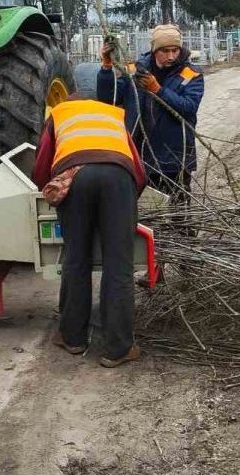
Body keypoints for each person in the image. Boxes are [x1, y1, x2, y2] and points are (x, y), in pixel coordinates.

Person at [33, 95, 146, 367]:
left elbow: (42, 166)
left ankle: (72, 338)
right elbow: (139, 170)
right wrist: (125, 202)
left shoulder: (59, 113)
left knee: (76, 259)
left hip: (75, 178)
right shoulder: (114, 113)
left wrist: (49, 189)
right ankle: (117, 349)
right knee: (119, 264)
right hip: (119, 176)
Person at [97, 24, 204, 201]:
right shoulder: (135, 70)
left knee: (178, 210)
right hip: (141, 156)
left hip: (175, 157)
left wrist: (158, 89)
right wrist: (107, 68)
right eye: (165, 51)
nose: (171, 56)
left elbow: (189, 107)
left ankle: (181, 230)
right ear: (154, 50)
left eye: (175, 50)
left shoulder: (191, 74)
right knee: (146, 211)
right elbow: (109, 99)